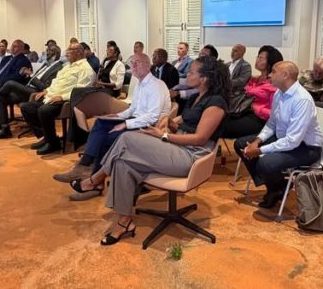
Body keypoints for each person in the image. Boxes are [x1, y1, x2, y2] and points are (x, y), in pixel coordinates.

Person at [71, 55, 229, 245]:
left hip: (192, 157)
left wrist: (163, 135)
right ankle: (124, 222)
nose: (187, 74)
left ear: (204, 78)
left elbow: (200, 138)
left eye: (192, 72)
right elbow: (185, 124)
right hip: (178, 147)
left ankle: (96, 179)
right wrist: (169, 121)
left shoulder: (216, 103)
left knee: (127, 138)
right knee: (122, 163)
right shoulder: (197, 97)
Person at [53, 53, 171, 200]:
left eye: (138, 63)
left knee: (107, 137)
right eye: (132, 63)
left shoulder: (156, 85)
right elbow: (132, 110)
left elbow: (152, 117)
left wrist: (125, 123)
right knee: (101, 123)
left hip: (149, 127)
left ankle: (94, 181)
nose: (134, 66)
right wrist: (117, 116)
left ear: (148, 66)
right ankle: (85, 166)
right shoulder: (140, 84)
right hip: (136, 120)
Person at [234, 61, 323, 209]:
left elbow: (293, 141)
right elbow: (272, 123)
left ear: (285, 75)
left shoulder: (302, 100)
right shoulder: (279, 93)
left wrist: (259, 150)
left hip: (306, 148)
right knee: (241, 144)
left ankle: (275, 187)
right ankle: (277, 186)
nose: (269, 75)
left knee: (265, 162)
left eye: (273, 71)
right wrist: (257, 141)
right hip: (285, 139)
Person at [21, 43, 95, 154]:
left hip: (66, 100)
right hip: (51, 96)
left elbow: (81, 91)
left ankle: (52, 143)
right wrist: (46, 91)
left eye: (70, 50)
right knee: (26, 107)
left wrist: (62, 97)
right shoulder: (67, 66)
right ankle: (48, 137)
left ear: (79, 52)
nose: (66, 53)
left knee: (43, 110)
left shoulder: (85, 69)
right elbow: (56, 83)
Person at [0, 44, 63, 139]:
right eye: (46, 51)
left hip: (36, 92)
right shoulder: (45, 64)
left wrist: (30, 75)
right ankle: (5, 129)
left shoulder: (58, 68)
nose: (46, 53)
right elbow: (33, 78)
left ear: (55, 54)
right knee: (0, 98)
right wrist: (26, 75)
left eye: (49, 51)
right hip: (27, 88)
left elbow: (45, 87)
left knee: (10, 83)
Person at [224, 45, 283, 138]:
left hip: (260, 119)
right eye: (257, 57)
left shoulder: (274, 85)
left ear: (270, 62)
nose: (257, 60)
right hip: (243, 111)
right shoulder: (254, 80)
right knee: (217, 119)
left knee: (222, 127)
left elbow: (274, 113)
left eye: (261, 58)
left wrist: (254, 107)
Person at [227, 44, 252, 114]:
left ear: (242, 53)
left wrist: (226, 83)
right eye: (232, 50)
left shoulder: (246, 65)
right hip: (225, 91)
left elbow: (242, 81)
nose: (232, 52)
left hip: (236, 94)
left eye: (235, 51)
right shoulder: (227, 64)